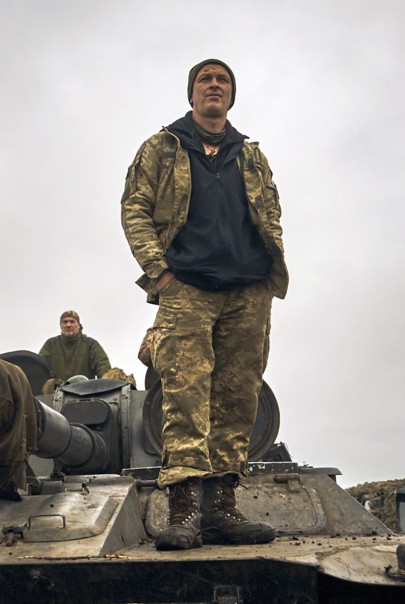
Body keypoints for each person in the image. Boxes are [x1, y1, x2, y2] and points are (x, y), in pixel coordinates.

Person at [121, 59, 289, 551]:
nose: (214, 86)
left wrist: (267, 271)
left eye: (222, 81)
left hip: (249, 290)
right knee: (185, 396)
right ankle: (184, 512)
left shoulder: (251, 156)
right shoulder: (163, 146)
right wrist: (161, 274)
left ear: (231, 96)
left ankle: (221, 510)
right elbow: (135, 208)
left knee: (238, 398)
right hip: (187, 288)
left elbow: (271, 211)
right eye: (204, 80)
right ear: (192, 95)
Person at [38, 310, 112, 383]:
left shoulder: (90, 344)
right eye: (65, 322)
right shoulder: (50, 344)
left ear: (79, 326)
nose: (68, 325)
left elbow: (103, 366)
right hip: (55, 392)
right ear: (60, 326)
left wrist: (106, 382)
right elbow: (40, 366)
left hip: (84, 391)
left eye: (72, 322)